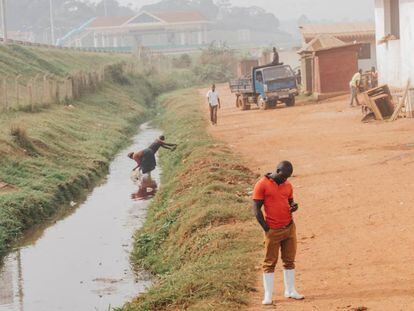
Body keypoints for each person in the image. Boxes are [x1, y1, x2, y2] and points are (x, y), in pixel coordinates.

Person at [252, 161, 304, 305]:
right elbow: (256, 209)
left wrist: (294, 207)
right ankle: (268, 295)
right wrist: (266, 229)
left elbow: (290, 201)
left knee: (289, 260)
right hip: (273, 230)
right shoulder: (261, 184)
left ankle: (290, 290)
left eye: (288, 177)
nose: (285, 179)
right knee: (269, 263)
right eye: (284, 176)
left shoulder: (287, 185)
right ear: (277, 170)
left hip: (289, 227)